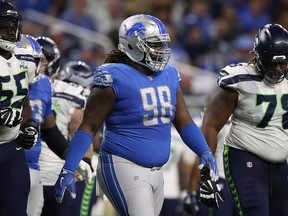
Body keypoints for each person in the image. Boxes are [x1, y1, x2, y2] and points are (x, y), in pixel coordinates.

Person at [54, 14, 223, 216]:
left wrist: (204, 151)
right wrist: (69, 167)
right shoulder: (113, 77)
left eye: (162, 45)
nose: (161, 51)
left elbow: (184, 121)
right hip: (122, 165)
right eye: (154, 45)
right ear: (133, 45)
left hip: (156, 172)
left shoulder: (169, 74)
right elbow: (88, 127)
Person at [200, 23, 288, 216]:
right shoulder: (239, 80)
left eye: (283, 63)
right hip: (244, 156)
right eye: (272, 63)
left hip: (282, 163)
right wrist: (207, 171)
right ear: (258, 57)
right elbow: (211, 125)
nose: (278, 69)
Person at [36, 36, 94, 216]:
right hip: (58, 176)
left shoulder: (19, 85)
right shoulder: (73, 94)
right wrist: (85, 162)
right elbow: (82, 136)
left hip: (25, 172)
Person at [17, 34, 74, 216]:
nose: (38, 67)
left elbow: (50, 130)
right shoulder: (6, 80)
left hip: (33, 168)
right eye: (33, 61)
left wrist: (73, 160)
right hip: (9, 163)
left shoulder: (43, 84)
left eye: (39, 61)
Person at [0, 2, 39, 215]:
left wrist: (29, 125)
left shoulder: (19, 61)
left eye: (14, 25)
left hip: (11, 147)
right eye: (4, 25)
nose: (11, 31)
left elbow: (24, 102)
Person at [183, 115, 236, 216]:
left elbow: (203, 156)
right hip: (242, 179)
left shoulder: (215, 112)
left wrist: (191, 190)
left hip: (222, 180)